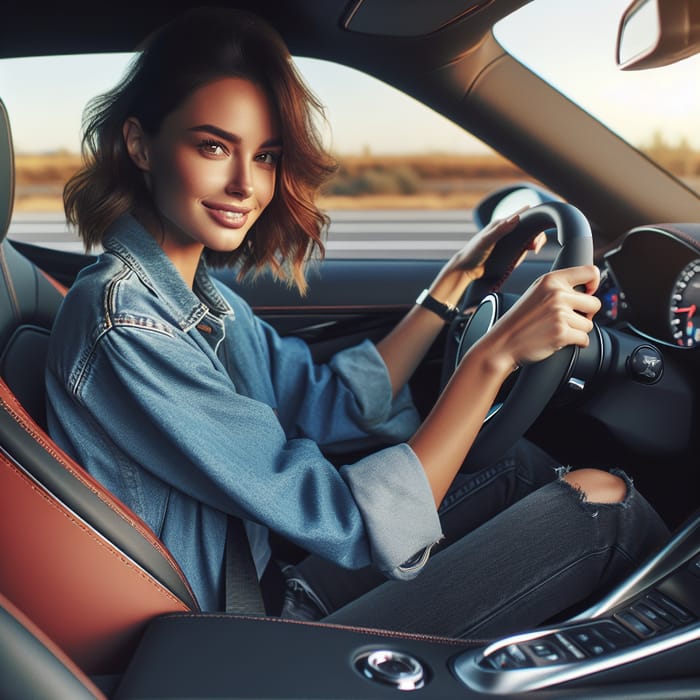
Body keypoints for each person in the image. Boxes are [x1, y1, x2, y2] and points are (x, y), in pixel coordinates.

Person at [46, 7, 668, 639]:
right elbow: (345, 518)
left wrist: (450, 287)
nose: (244, 185)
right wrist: (494, 357)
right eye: (213, 146)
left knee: (516, 467)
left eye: (264, 156)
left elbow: (331, 401)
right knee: (603, 507)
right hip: (245, 637)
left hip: (266, 583)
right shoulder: (128, 326)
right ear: (139, 144)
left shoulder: (197, 302)